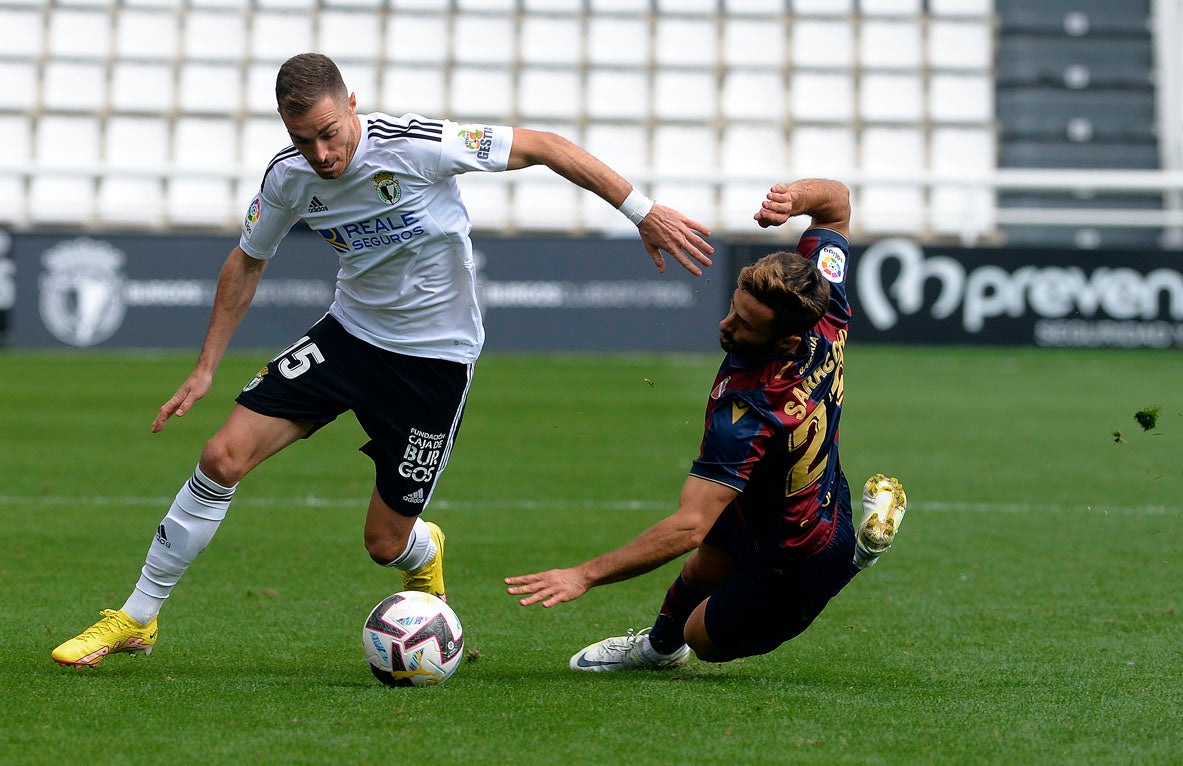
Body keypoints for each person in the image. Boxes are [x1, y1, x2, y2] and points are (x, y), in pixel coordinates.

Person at [51, 52, 714, 668]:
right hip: (348, 336)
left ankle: (424, 553)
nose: (321, 152)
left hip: (434, 361)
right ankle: (138, 616)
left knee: (384, 544)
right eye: (303, 137)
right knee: (220, 457)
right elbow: (247, 260)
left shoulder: (418, 145)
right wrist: (204, 366)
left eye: (330, 132)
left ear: (353, 106)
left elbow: (543, 146)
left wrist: (641, 211)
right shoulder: (287, 177)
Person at [505, 178, 906, 670]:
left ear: (783, 342)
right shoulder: (825, 307)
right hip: (787, 495)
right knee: (703, 570)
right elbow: (837, 206)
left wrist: (583, 575)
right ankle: (656, 651)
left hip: (801, 555)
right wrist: (795, 199)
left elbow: (689, 525)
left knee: (704, 635)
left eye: (745, 326)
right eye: (734, 309)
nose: (727, 327)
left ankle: (859, 553)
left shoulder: (749, 410)